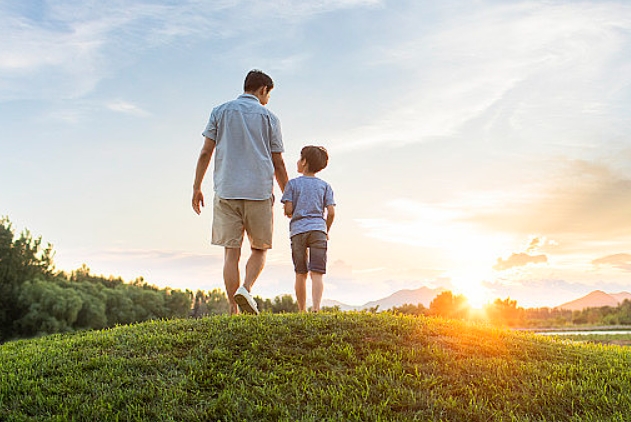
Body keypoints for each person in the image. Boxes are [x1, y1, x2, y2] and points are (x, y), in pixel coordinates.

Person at [192, 69, 288, 315]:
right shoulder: (270, 118)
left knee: (230, 253)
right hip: (258, 191)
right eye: (268, 95)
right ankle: (245, 289)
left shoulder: (220, 112)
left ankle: (233, 310)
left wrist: (196, 187)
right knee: (259, 249)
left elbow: (205, 152)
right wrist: (288, 194)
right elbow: (278, 163)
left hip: (227, 190)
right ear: (263, 90)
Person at [281, 146, 336, 312]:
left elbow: (289, 210)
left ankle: (302, 310)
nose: (297, 162)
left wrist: (292, 211)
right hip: (319, 229)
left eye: (299, 159)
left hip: (298, 231)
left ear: (304, 162)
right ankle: (317, 308)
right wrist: (325, 230)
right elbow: (331, 212)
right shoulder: (325, 186)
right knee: (317, 272)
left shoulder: (292, 184)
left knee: (301, 272)